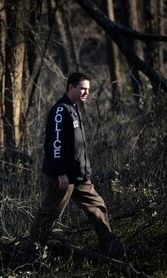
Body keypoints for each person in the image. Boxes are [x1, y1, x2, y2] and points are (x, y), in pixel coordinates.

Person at [30, 72, 125, 258]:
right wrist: (59, 173)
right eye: (82, 88)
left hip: (80, 177)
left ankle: (112, 248)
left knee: (98, 207)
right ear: (70, 87)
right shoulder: (60, 110)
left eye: (88, 89)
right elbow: (55, 143)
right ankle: (31, 252)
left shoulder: (74, 108)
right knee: (50, 214)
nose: (86, 92)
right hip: (64, 177)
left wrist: (84, 171)